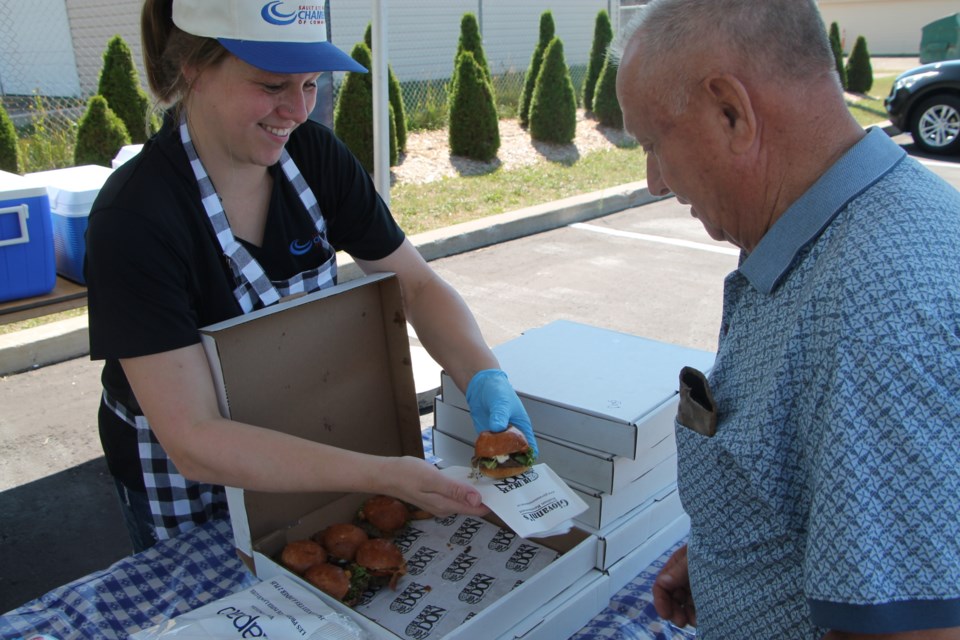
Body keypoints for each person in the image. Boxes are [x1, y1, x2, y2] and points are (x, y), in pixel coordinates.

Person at [84, 0, 537, 553]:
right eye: (273, 85)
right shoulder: (135, 217)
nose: (296, 112)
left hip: (308, 449)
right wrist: (380, 475)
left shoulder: (316, 159)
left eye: (310, 85)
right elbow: (194, 438)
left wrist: (483, 374)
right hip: (189, 482)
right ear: (193, 68)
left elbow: (413, 286)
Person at [615, 1, 960, 638]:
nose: (654, 181)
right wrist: (736, 553)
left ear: (731, 112)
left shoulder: (866, 313)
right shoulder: (859, 229)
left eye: (654, 143)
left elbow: (913, 629)